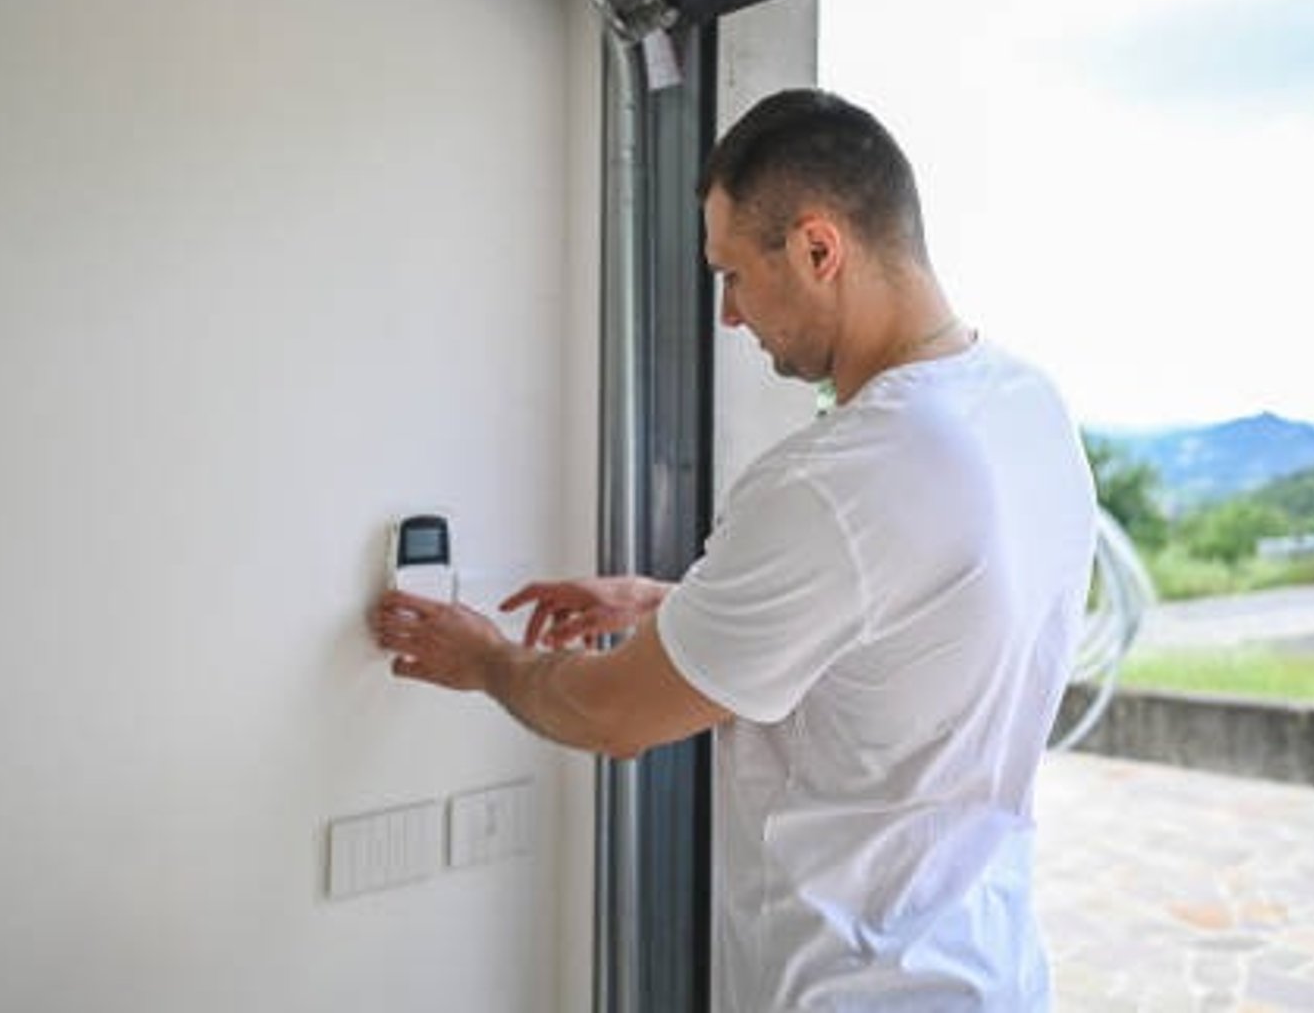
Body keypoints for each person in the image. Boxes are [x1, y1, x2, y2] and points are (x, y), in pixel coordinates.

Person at [374, 88, 1096, 1010]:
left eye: (732, 275)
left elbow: (612, 717)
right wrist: (674, 604)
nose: (728, 314)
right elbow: (906, 626)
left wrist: (483, 658)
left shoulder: (839, 479)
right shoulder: (1028, 408)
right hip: (991, 972)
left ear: (818, 248)